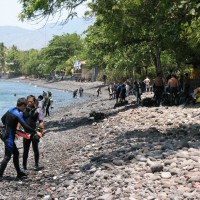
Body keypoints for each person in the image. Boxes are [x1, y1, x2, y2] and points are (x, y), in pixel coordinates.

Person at [0, 98, 42, 180]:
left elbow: (3, 119)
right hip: (9, 137)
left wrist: (9, 127)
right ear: (22, 105)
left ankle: (19, 173)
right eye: (25, 107)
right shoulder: (17, 114)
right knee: (7, 156)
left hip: (5, 134)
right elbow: (25, 125)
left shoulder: (11, 109)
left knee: (16, 153)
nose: (25, 109)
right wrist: (35, 132)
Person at [20, 95, 44, 171]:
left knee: (35, 149)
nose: (30, 103)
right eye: (28, 101)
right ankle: (24, 166)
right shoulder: (23, 110)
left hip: (34, 132)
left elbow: (41, 122)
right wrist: (17, 131)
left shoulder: (38, 110)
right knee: (25, 150)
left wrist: (39, 132)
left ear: (34, 101)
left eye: (31, 101)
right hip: (26, 133)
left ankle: (36, 165)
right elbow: (19, 121)